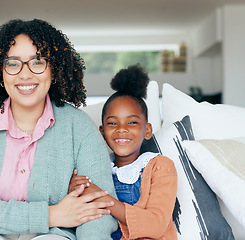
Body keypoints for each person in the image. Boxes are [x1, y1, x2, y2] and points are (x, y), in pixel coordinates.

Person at [0, 19, 118, 240]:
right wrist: (50, 215)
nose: (25, 74)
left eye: (37, 62)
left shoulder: (79, 127)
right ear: (0, 71)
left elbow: (98, 208)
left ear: (54, 69)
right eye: (13, 63)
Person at [69, 64, 178, 239]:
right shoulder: (97, 169)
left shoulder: (160, 167)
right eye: (112, 123)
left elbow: (156, 225)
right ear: (102, 132)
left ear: (148, 130)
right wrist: (74, 189)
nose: (121, 129)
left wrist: (101, 198)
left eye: (132, 122)